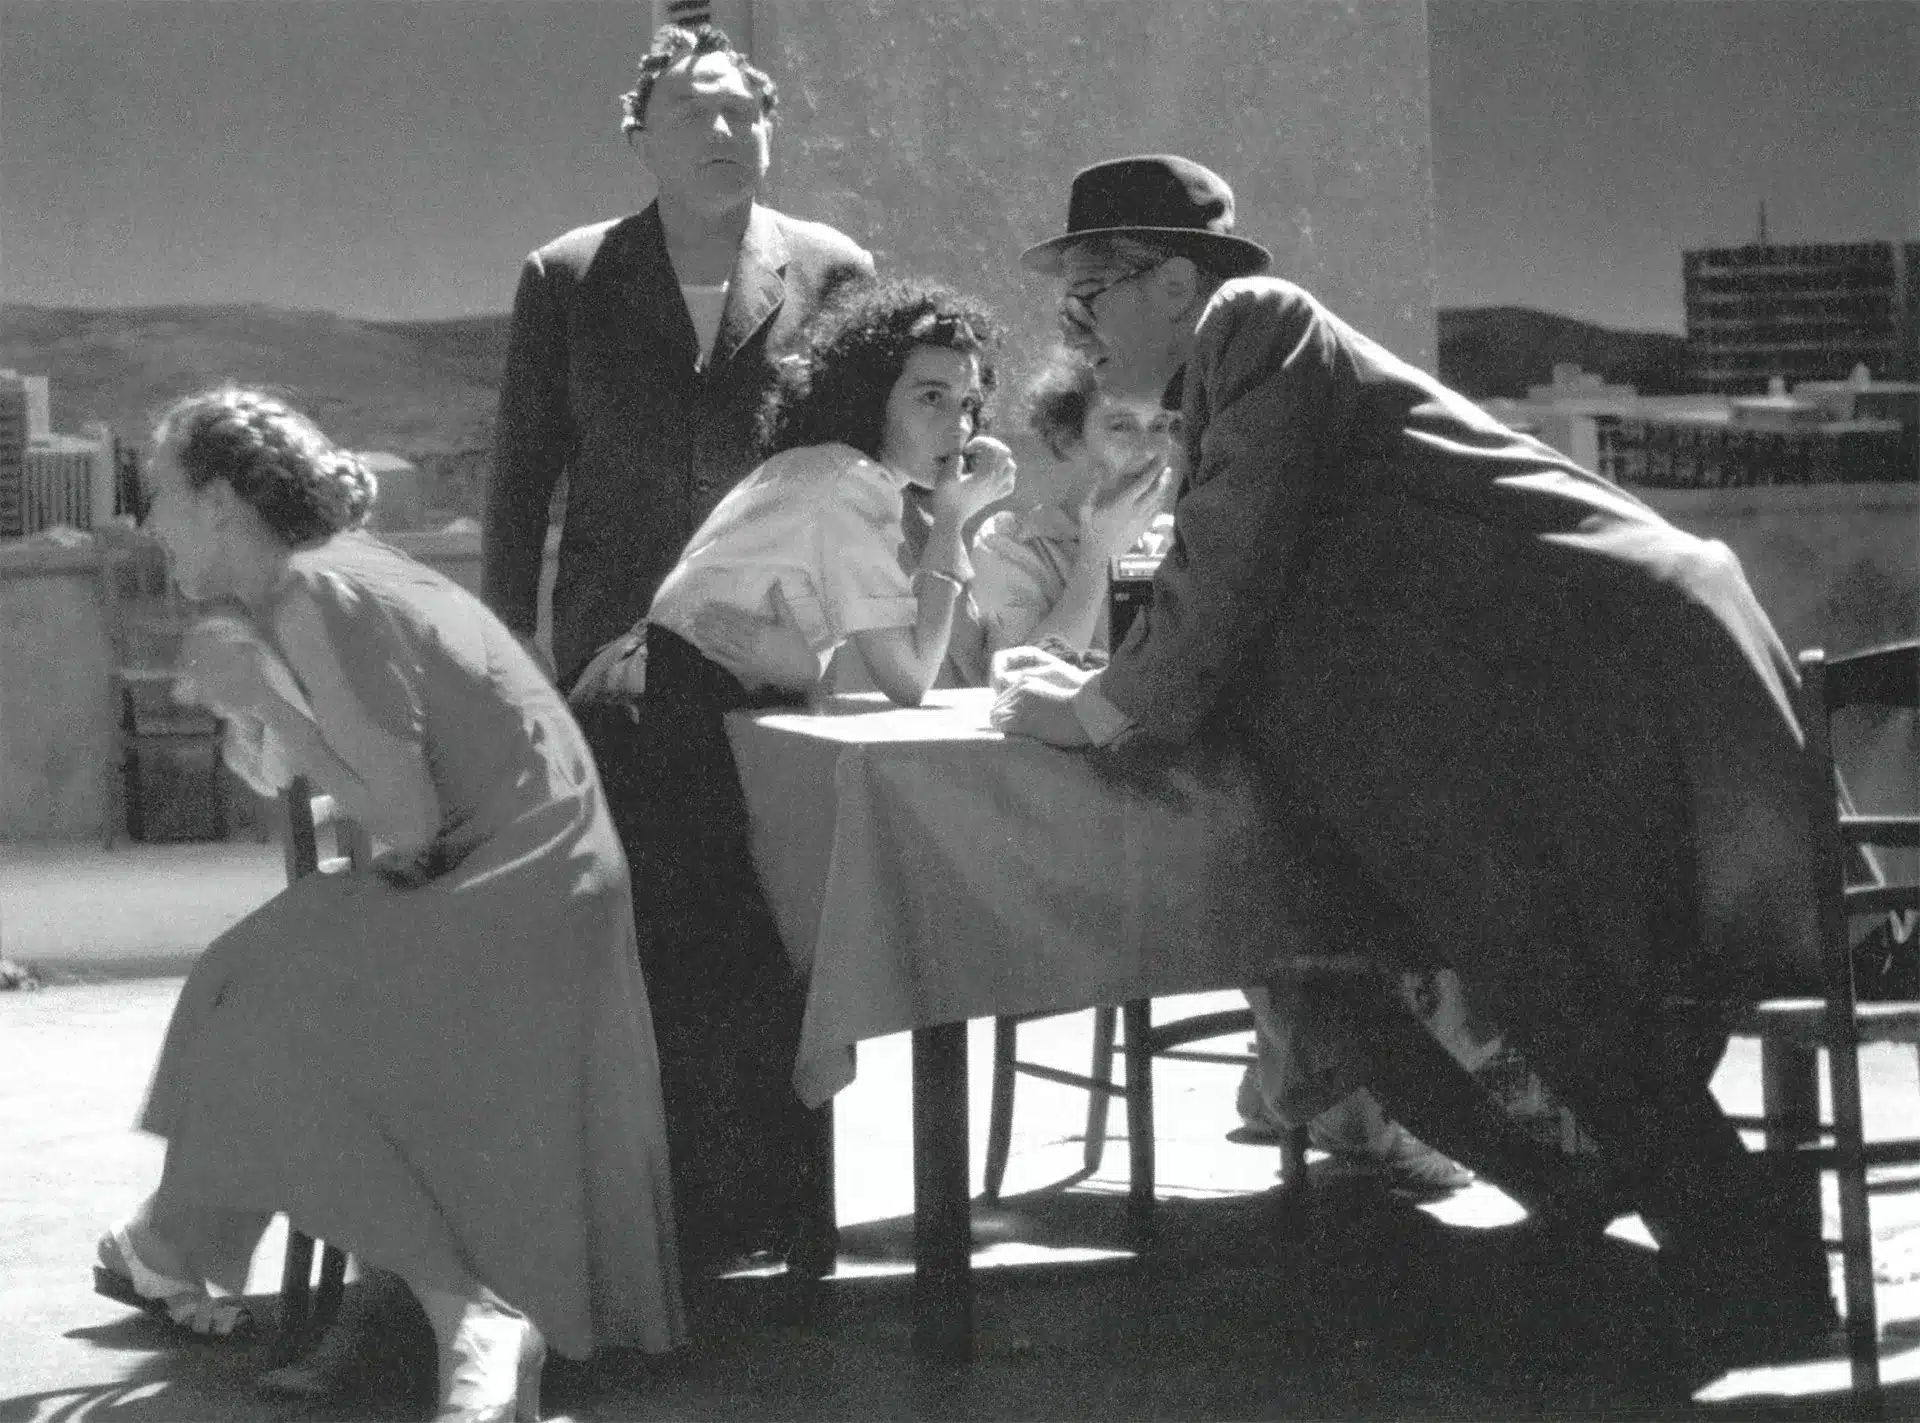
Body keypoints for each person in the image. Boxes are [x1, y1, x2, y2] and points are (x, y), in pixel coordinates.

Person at [994, 154, 1832, 1330]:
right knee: (1349, 973)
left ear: (1175, 283)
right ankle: (1624, 1219)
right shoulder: (1220, 386)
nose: (1072, 328)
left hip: (1590, 675)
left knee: (1551, 974)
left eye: (1089, 294)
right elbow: (1231, 587)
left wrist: (1093, 711)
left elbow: (1229, 562)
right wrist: (1103, 680)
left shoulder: (1255, 320)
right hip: (1510, 711)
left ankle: (1749, 1275)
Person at [95, 387, 683, 1422]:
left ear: (221, 502)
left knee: (259, 1001)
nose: (150, 522)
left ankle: (472, 1317)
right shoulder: (331, 574)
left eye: (162, 497)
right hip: (533, 872)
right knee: (254, 975)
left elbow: (404, 823)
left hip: (513, 885)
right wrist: (263, 703)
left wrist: (265, 701)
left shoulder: (318, 593)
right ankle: (166, 1244)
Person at [481, 19, 873, 1270]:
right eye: (693, 112)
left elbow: (866, 458)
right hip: (617, 661)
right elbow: (520, 480)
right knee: (655, 918)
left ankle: (778, 1204)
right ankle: (666, 1207)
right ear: (639, 139)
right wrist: (514, 659)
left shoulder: (831, 268)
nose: (723, 130)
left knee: (779, 906)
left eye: (743, 110)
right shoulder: (570, 276)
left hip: (773, 653)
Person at [566, 279, 1014, 1272]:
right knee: (733, 975)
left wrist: (797, 658)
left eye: (971, 401)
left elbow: (798, 657)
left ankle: (725, 1236)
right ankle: (728, 1241)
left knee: (727, 974)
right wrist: (953, 524)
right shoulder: (847, 486)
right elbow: (908, 676)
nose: (960, 424)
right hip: (661, 736)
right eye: (930, 396)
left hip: (637, 713)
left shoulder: (804, 471)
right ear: (869, 396)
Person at [979, 349, 1474, 1197]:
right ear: (1069, 438)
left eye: (1164, 427)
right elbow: (1014, 679)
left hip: (1188, 795)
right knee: (1286, 870)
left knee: (1339, 849)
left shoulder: (1196, 542)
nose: (1146, 448)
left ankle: (1315, 1078)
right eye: (1119, 426)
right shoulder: (1013, 543)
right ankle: (1337, 1094)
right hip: (1075, 820)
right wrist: (1099, 552)